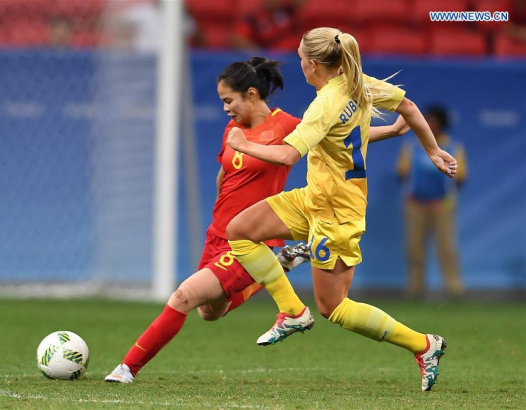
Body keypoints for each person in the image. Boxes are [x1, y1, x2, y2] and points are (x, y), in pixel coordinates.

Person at [104, 56, 409, 383]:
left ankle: (126, 368)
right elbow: (226, 172)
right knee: (209, 312)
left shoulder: (285, 126)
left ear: (251, 94)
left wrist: (391, 130)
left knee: (183, 297)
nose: (225, 108)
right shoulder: (232, 129)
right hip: (217, 234)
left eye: (228, 100)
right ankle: (276, 266)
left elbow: (339, 135)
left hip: (248, 238)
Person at [225, 27, 457, 392]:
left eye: (301, 58)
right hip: (313, 198)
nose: (299, 64)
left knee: (334, 307)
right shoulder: (356, 82)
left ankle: (424, 345)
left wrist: (243, 144)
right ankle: (292, 311)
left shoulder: (324, 103)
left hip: (337, 212)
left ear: (313, 64)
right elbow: (408, 107)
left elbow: (288, 154)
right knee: (239, 231)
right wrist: (431, 149)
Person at [397, 105, 467, 299]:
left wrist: (442, 198)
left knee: (446, 248)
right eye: (425, 121)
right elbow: (402, 174)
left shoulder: (453, 147)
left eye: (432, 121)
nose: (428, 125)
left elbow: (460, 178)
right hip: (415, 205)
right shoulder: (411, 147)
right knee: (414, 249)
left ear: (442, 124)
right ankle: (415, 289)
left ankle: (454, 290)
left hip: (442, 206)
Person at [231, 0, 306, 51]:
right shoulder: (253, 17)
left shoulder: (289, 11)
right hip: (267, 58)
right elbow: (237, 39)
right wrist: (259, 54)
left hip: (291, 57)